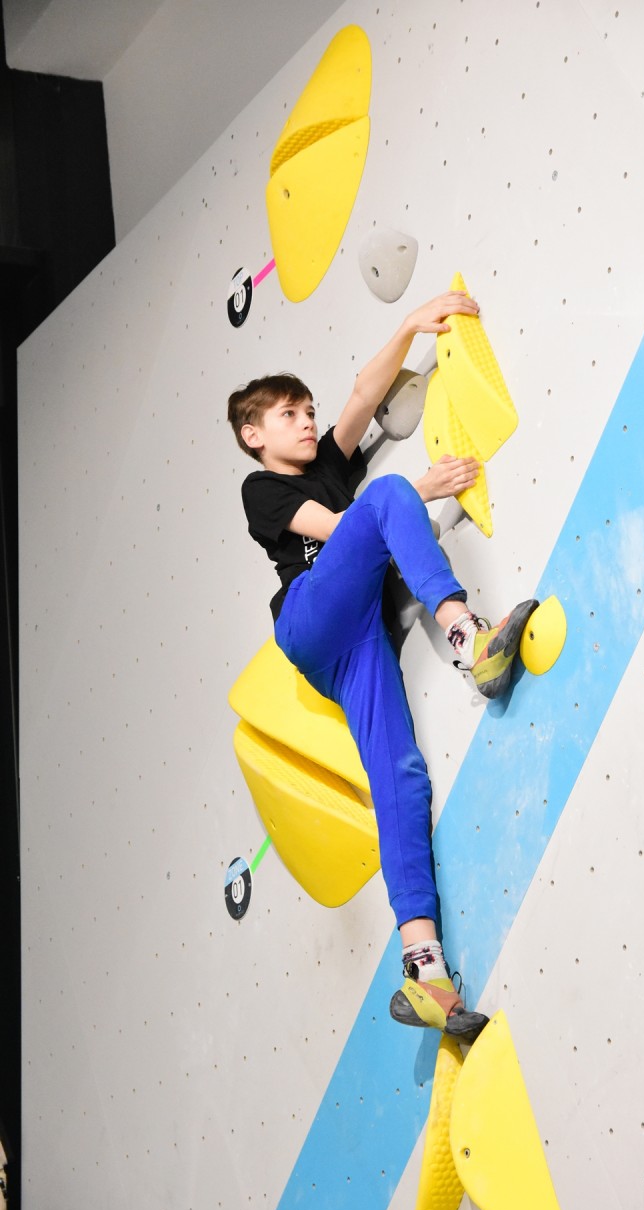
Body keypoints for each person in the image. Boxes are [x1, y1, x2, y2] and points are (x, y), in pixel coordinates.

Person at [227, 291, 536, 1042]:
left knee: (400, 777)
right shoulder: (263, 489)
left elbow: (365, 393)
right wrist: (417, 489)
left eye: (307, 410)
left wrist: (406, 326)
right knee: (391, 493)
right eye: (288, 414)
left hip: (358, 630)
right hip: (312, 618)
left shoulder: (330, 462)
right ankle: (469, 639)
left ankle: (425, 970)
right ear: (252, 433)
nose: (306, 420)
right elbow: (338, 531)